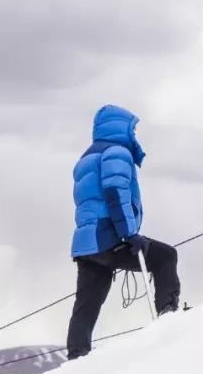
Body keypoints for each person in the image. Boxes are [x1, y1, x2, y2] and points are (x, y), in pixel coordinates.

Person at [65, 105, 182, 360]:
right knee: (165, 256)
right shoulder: (116, 152)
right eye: (133, 129)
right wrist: (129, 234)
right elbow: (114, 193)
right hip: (109, 236)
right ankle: (168, 314)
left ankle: (77, 354)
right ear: (121, 128)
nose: (135, 134)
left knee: (86, 304)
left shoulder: (85, 158)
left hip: (86, 244)